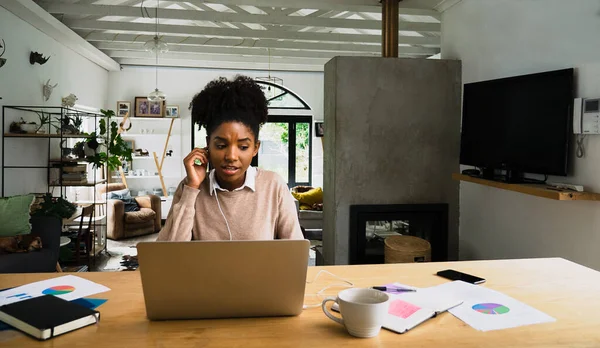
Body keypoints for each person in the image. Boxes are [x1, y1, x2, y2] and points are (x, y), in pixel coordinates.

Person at [157, 75, 304, 241]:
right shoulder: (189, 187)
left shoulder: (273, 185)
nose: (231, 156)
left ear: (255, 148)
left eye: (243, 147)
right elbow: (169, 255)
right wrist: (192, 188)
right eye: (221, 146)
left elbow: (295, 250)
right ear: (208, 145)